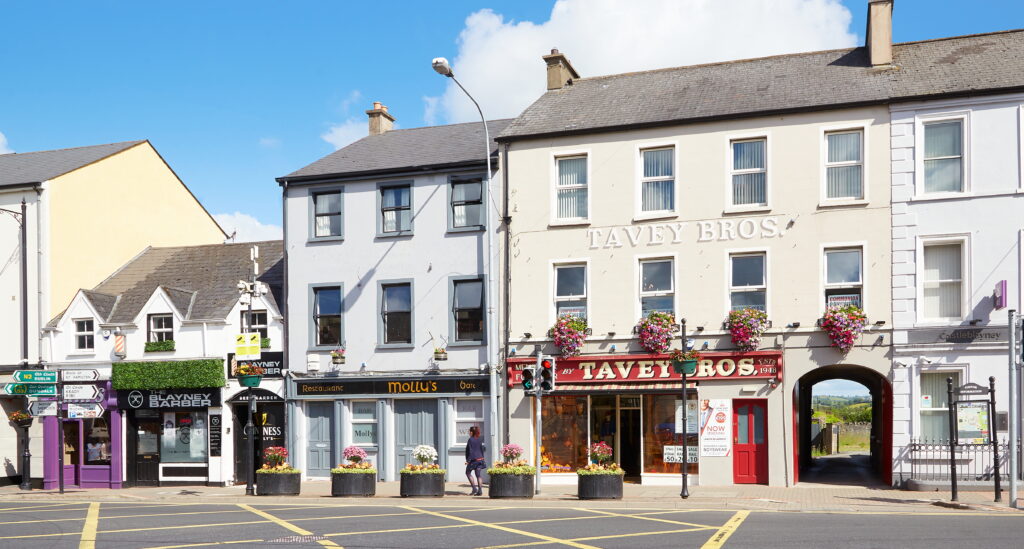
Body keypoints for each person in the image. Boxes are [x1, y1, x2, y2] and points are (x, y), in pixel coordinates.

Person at [464, 425, 486, 496]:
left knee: (468, 472)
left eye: (469, 431)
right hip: (480, 459)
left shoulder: (470, 439)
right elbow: (481, 450)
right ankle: (480, 490)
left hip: (474, 460)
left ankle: (474, 488)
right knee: (478, 475)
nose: (469, 432)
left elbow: (471, 451)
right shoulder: (479, 439)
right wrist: (482, 458)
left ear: (471, 432)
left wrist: (468, 460)